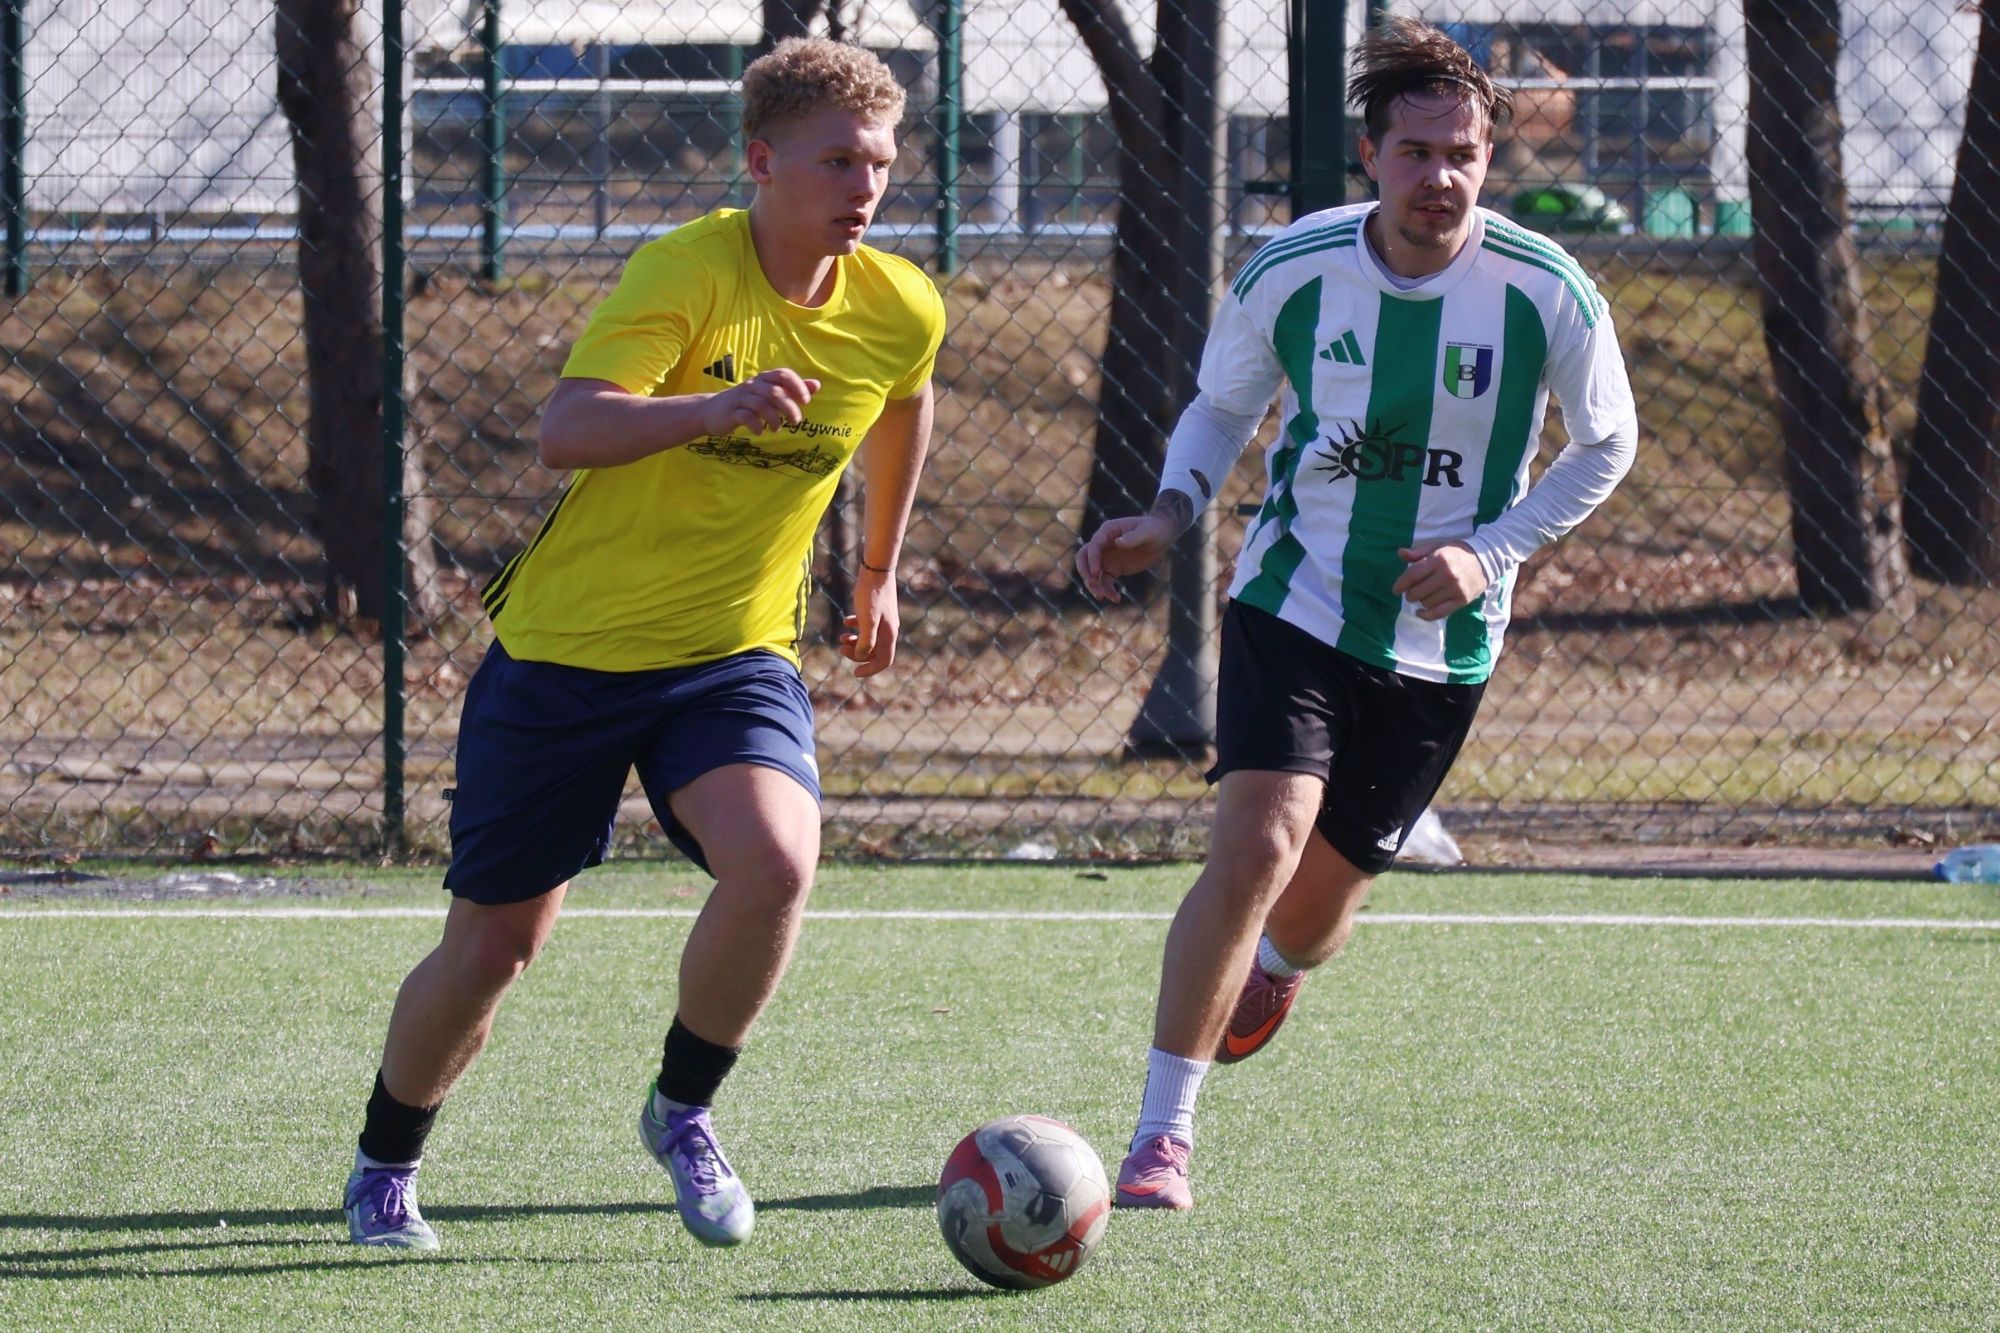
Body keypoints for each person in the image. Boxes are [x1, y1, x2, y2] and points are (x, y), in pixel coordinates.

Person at [341, 37, 945, 1251]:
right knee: (493, 951)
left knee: (776, 863)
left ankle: (682, 1108)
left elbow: (905, 397)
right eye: (836, 162)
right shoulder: (686, 270)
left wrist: (877, 568)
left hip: (729, 659)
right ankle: (384, 1161)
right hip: (564, 657)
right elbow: (568, 427)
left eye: (879, 163)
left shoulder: (899, 304)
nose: (864, 187)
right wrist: (711, 408)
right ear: (761, 162)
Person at [1076, 17, 1638, 1210]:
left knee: (1316, 913)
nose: (1439, 177)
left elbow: (1607, 443)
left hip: (1442, 643)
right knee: (1255, 843)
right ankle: (1161, 1136)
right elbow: (1219, 410)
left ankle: (1278, 963)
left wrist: (1488, 551)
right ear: (1370, 155)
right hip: (1295, 596)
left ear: (1486, 159)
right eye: (1414, 152)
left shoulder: (1544, 289)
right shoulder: (1293, 268)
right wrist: (1170, 513)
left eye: (1461, 154)